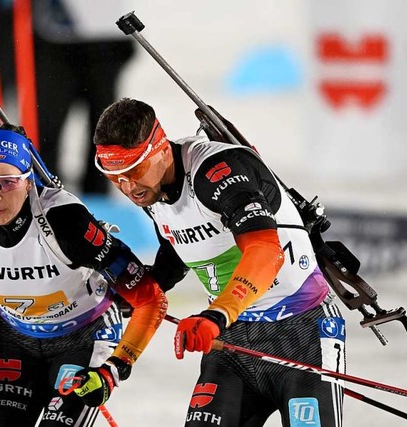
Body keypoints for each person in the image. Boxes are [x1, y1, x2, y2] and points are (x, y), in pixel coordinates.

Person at [93, 98, 345, 426]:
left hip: (302, 330)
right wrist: (133, 292)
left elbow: (266, 251)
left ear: (160, 147)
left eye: (134, 170)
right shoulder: (152, 190)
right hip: (233, 341)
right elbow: (179, 249)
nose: (127, 186)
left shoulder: (216, 172)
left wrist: (216, 314)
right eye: (114, 176)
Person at [0, 122, 168, 426]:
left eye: (7, 183)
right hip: (13, 338)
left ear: (29, 181)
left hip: (83, 337)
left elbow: (151, 299)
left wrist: (113, 370)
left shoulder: (65, 221)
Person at [0, 0, 135, 195]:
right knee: (47, 127)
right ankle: (44, 194)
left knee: (104, 131)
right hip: (55, 38)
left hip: (106, 36)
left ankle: (98, 201)